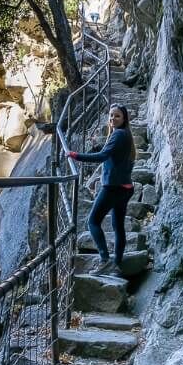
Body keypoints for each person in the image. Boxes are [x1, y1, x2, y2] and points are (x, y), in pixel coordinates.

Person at [67, 104, 137, 277]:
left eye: (117, 116)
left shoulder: (118, 134)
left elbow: (102, 156)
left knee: (92, 222)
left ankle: (105, 260)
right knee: (118, 226)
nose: (113, 119)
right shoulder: (125, 134)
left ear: (124, 119)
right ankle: (116, 264)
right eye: (111, 116)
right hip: (125, 187)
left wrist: (76, 156)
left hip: (113, 188)